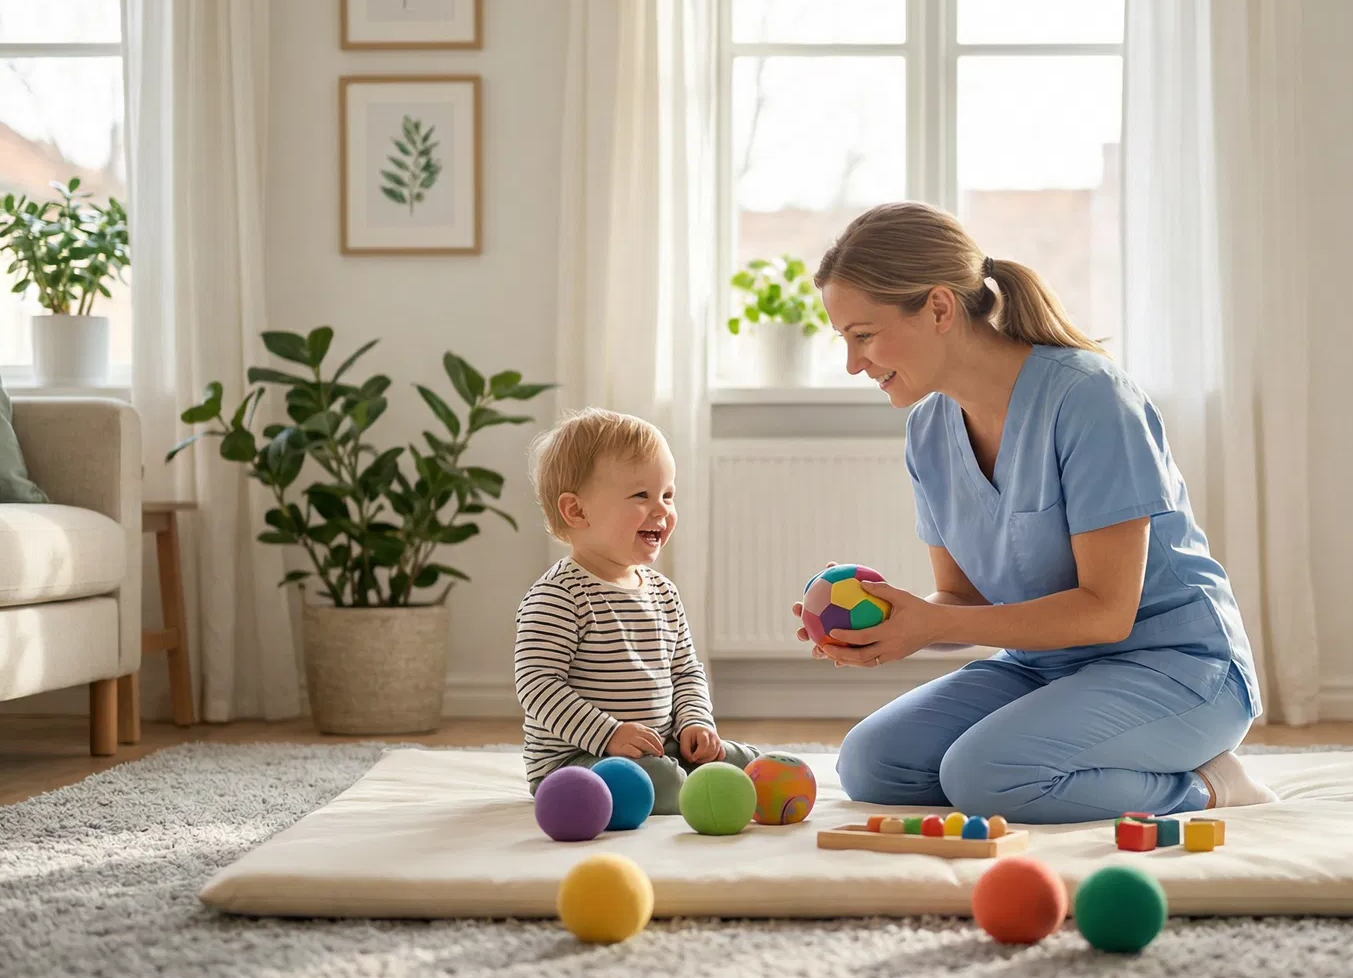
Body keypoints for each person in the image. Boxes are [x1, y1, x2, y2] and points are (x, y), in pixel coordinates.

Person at [797, 201, 1278, 825]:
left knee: (985, 776)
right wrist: (894, 619)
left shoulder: (1090, 399)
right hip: (1044, 669)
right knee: (871, 765)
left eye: (863, 335)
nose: (853, 363)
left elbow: (1107, 612)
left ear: (940, 308)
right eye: (845, 340)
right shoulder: (928, 430)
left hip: (1177, 666)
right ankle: (1063, 755)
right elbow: (961, 602)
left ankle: (1208, 784)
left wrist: (930, 626)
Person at [516, 407, 757, 813]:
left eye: (667, 494)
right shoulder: (560, 594)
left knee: (738, 760)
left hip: (659, 749)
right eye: (641, 496)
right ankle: (703, 790)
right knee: (656, 780)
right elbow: (537, 685)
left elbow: (686, 671)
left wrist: (696, 724)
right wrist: (607, 735)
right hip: (577, 761)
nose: (662, 510)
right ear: (577, 511)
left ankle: (723, 777)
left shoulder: (663, 592)